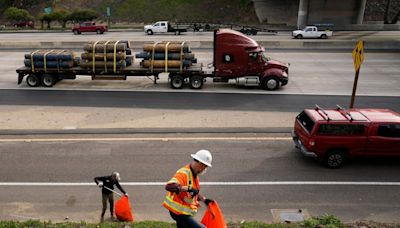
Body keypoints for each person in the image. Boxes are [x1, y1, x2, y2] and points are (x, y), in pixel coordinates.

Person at [163, 149, 214, 228]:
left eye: (205, 167)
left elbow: (193, 193)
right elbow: (169, 186)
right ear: (199, 163)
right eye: (204, 166)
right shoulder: (183, 173)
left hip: (183, 213)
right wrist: (188, 188)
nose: (203, 169)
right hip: (178, 213)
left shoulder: (194, 176)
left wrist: (204, 200)